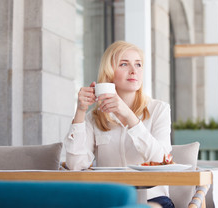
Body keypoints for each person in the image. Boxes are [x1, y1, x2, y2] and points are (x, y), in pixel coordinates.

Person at [64, 41, 174, 208]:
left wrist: (129, 116)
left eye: (138, 64)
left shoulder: (159, 110)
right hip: (108, 199)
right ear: (109, 73)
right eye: (124, 64)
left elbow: (162, 161)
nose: (133, 71)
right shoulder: (94, 117)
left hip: (151, 199)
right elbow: (76, 166)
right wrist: (79, 111)